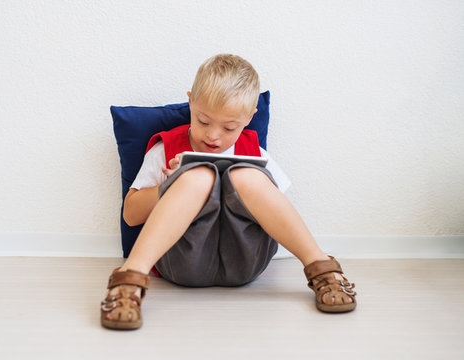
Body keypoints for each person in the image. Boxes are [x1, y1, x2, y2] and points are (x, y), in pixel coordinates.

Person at [100, 54, 357, 330]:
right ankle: (130, 278)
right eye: (203, 121)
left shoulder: (257, 153)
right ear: (190, 102)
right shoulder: (165, 149)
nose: (213, 136)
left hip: (244, 259)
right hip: (182, 261)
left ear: (249, 118)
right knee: (197, 175)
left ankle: (322, 268)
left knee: (246, 175)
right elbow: (131, 216)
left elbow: (277, 213)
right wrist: (168, 185)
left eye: (229, 127)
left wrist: (249, 181)